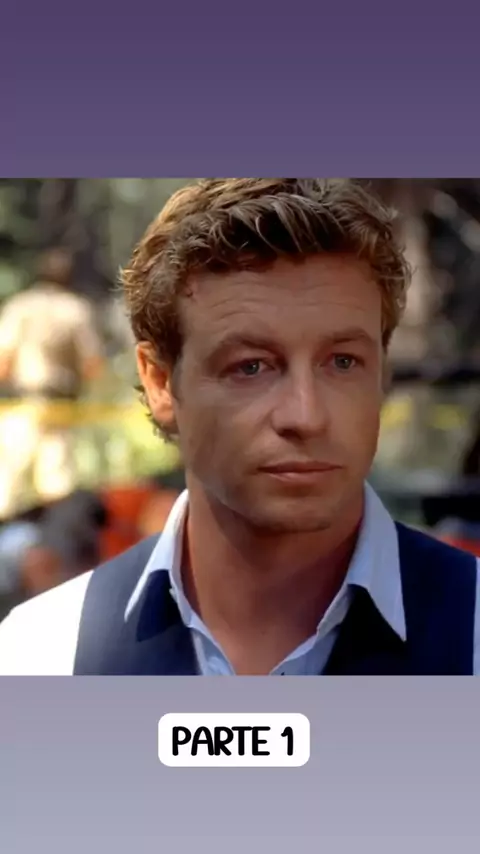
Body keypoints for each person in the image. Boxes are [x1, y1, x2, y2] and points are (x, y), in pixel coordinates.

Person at [0, 177, 478, 675]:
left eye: (342, 362)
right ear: (161, 383)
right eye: (251, 367)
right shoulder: (43, 655)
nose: (306, 416)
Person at [0, 248, 105, 517]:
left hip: (22, 402)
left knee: (9, 482)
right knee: (56, 485)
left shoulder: (20, 306)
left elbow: (4, 360)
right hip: (60, 404)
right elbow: (92, 364)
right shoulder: (75, 310)